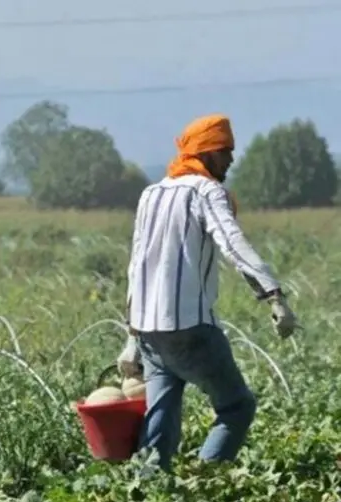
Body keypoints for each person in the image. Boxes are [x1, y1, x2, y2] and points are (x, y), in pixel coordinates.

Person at [117, 113, 297, 473]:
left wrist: (132, 336)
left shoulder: (151, 194)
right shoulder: (206, 192)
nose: (231, 158)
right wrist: (274, 296)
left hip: (152, 332)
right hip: (191, 329)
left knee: (160, 421)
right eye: (225, 151)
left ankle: (145, 493)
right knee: (236, 407)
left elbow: (137, 264)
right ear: (206, 153)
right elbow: (232, 242)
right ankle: (204, 482)